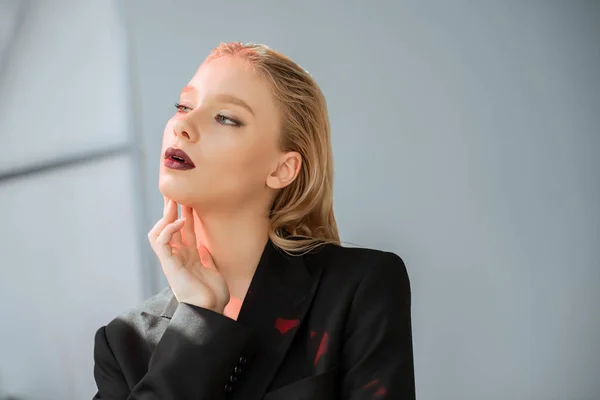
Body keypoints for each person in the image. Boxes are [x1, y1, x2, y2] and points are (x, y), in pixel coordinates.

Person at [92, 42, 415, 400]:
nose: (182, 124)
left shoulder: (357, 289)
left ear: (282, 169)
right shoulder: (124, 342)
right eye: (184, 105)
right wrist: (199, 318)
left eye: (226, 117)